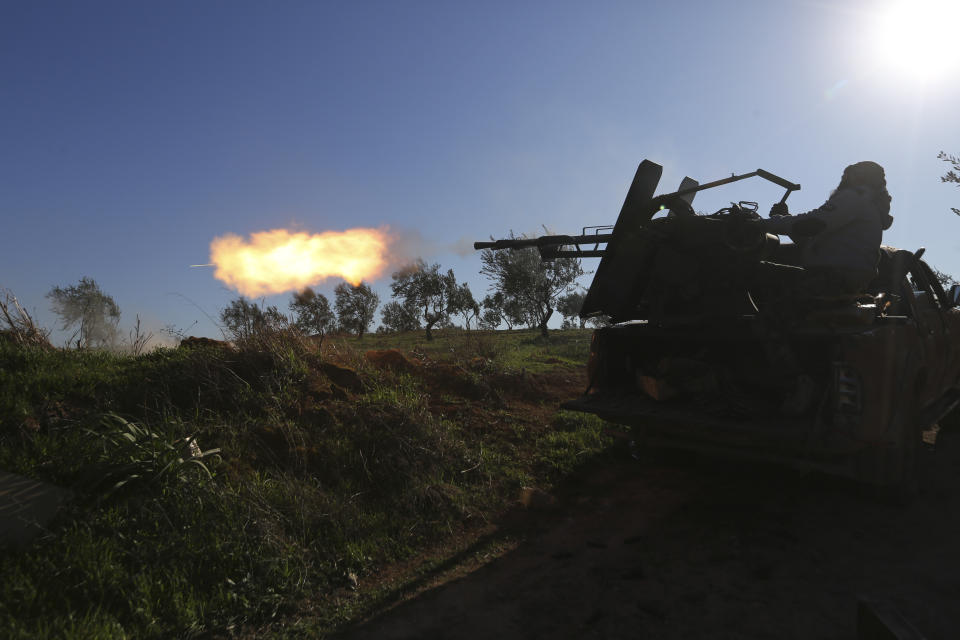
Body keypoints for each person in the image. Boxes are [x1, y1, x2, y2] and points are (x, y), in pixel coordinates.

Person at [760, 161, 894, 296]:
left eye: (847, 176)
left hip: (831, 278)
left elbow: (812, 224)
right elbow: (813, 242)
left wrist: (760, 223)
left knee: (752, 271)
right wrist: (785, 218)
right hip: (841, 278)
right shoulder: (868, 204)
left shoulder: (855, 197)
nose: (843, 180)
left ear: (859, 177)